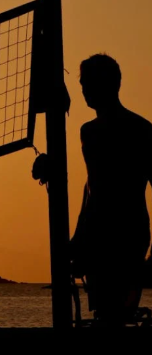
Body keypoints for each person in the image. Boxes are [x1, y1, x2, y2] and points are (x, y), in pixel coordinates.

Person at [71, 53, 152, 326]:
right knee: (104, 315)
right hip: (97, 235)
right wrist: (78, 238)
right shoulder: (88, 132)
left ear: (111, 84)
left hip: (128, 234)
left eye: (88, 83)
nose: (83, 90)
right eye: (82, 83)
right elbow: (91, 186)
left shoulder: (140, 130)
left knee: (117, 315)